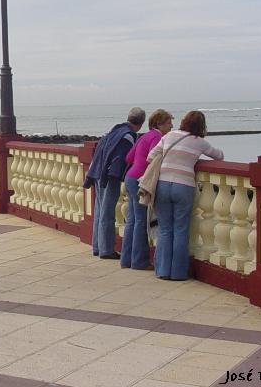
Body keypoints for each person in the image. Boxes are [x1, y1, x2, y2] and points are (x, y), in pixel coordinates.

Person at [148, 110, 223, 281]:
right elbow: (219, 156)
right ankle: (178, 273)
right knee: (180, 229)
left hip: (163, 184)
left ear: (183, 122)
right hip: (184, 186)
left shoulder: (169, 136)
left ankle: (163, 270)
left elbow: (151, 156)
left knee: (165, 229)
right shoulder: (200, 142)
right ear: (201, 126)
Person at [83, 107, 146, 259]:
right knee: (107, 212)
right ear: (142, 122)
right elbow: (120, 158)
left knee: (99, 210)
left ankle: (97, 246)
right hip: (109, 176)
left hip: (97, 172)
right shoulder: (128, 136)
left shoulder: (115, 130)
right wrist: (119, 177)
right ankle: (106, 249)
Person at [120, 109, 173, 270]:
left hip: (130, 177)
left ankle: (126, 259)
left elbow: (128, 157)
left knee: (132, 220)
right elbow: (153, 158)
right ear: (159, 124)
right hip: (140, 180)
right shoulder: (157, 137)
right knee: (140, 221)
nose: (171, 126)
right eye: (169, 123)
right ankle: (139, 261)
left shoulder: (144, 136)